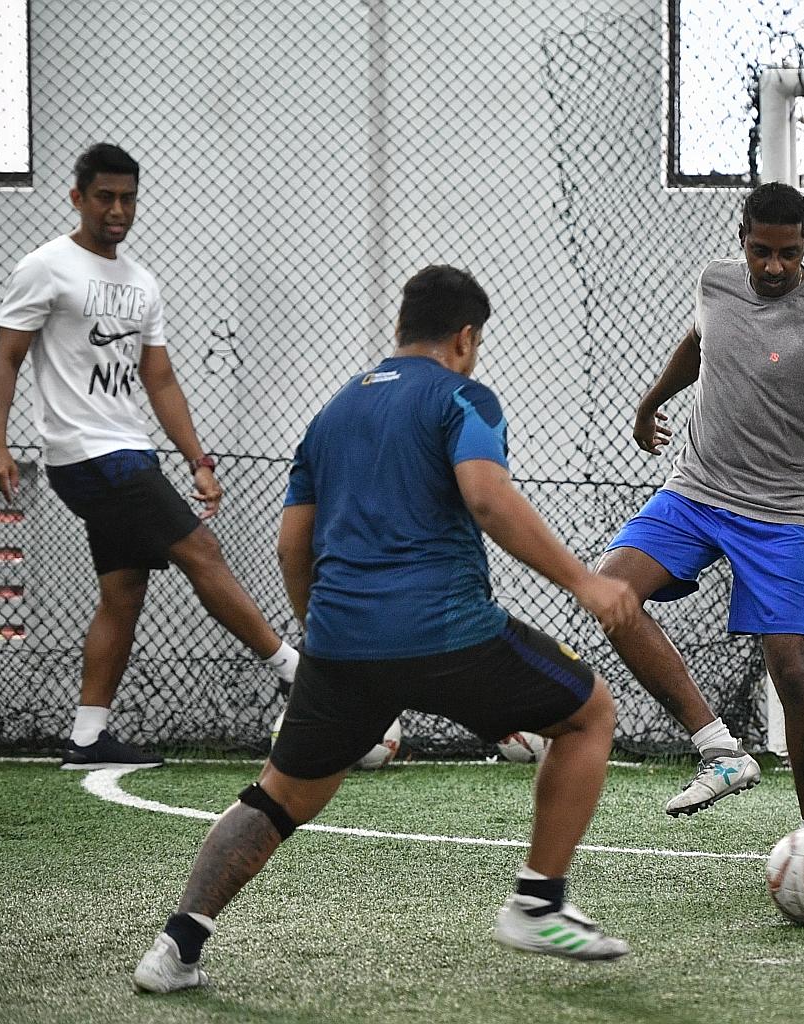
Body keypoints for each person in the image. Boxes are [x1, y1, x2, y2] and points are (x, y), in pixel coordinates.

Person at [132, 265, 638, 993]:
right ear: (465, 337)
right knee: (590, 712)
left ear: (401, 329)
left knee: (278, 797)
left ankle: (175, 948)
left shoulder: (330, 416)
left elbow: (290, 548)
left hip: (339, 646)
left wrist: (325, 645)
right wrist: (585, 581)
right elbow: (488, 500)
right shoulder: (464, 396)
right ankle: (537, 901)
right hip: (450, 633)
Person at [0, 143, 298, 769]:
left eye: (128, 197)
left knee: (123, 591)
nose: (118, 209)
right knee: (200, 550)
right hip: (84, 454)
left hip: (131, 450)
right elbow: (7, 358)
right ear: (77, 197)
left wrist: (198, 459)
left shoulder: (142, 282)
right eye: (104, 197)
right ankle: (296, 670)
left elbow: (160, 380)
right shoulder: (46, 267)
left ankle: (88, 736)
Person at [598, 182, 804, 827]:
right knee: (610, 592)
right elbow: (699, 344)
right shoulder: (716, 284)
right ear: (742, 241)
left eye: (787, 254)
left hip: (783, 512)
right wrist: (653, 400)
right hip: (697, 492)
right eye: (761, 251)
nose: (773, 267)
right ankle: (718, 749)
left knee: (794, 673)